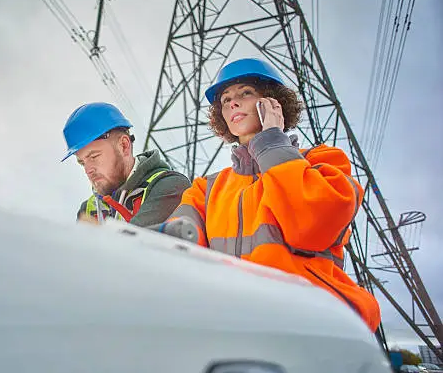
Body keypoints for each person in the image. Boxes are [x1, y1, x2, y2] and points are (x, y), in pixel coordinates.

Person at [161, 58, 381, 332]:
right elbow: (173, 243)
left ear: (274, 103)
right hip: (234, 326)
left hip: (311, 324)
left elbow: (311, 227)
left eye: (245, 93)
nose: (232, 103)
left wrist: (271, 140)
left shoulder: (322, 162)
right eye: (225, 99)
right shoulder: (205, 189)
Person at [61, 102, 192, 227]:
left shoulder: (169, 186)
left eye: (94, 156)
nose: (88, 170)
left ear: (124, 146)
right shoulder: (88, 209)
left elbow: (135, 248)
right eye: (82, 163)